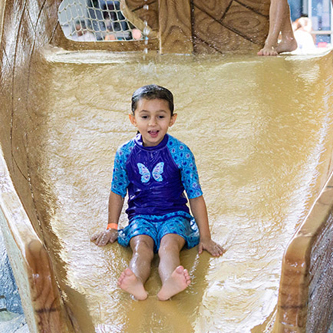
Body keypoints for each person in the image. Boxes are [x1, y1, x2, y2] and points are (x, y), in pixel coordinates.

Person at [91, 85, 225, 301]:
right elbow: (117, 192)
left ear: (172, 119)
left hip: (175, 216)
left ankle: (170, 283)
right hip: (141, 217)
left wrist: (206, 237)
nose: (153, 123)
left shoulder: (181, 152)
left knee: (169, 246)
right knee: (141, 248)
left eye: (160, 116)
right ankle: (135, 282)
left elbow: (195, 195)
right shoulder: (125, 153)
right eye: (145, 116)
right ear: (133, 119)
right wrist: (112, 227)